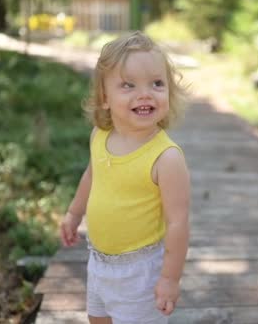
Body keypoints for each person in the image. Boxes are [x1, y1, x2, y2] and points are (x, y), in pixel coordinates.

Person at [60, 31, 191, 324]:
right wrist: (73, 212)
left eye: (157, 83)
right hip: (99, 262)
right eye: (128, 85)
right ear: (104, 98)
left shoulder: (166, 158)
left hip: (141, 272)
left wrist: (170, 279)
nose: (145, 94)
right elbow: (92, 174)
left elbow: (178, 222)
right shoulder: (101, 135)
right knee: (98, 319)